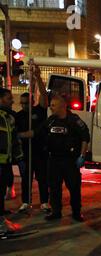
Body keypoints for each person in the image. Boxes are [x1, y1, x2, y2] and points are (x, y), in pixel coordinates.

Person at [22, 95, 90, 222]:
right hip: (54, 160)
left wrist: (82, 155)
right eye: (51, 105)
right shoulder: (51, 120)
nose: (51, 108)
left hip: (70, 161)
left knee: (74, 188)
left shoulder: (74, 120)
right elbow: (37, 132)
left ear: (62, 106)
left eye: (53, 105)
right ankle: (56, 212)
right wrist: (20, 135)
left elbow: (85, 137)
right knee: (54, 188)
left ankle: (76, 212)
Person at [15, 66, 50, 214]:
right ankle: (25, 201)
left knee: (42, 178)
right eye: (22, 103)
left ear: (32, 101)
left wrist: (37, 77)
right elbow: (15, 133)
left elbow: (44, 94)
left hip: (40, 151)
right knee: (26, 179)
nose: (24, 105)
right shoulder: (19, 116)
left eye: (26, 103)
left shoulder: (39, 110)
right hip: (26, 152)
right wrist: (25, 135)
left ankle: (44, 202)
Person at [0, 88, 25, 232]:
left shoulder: (9, 117)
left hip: (5, 161)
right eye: (9, 98)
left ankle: (1, 215)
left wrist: (19, 158)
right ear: (1, 99)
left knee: (2, 190)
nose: (12, 101)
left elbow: (14, 140)